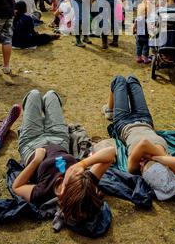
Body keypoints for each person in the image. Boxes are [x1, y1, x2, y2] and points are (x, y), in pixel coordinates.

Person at [12, 90, 116, 226]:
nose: (76, 173)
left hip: (32, 144)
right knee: (51, 95)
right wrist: (82, 164)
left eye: (73, 177)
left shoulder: (43, 192)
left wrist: (35, 161)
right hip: (59, 139)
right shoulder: (83, 184)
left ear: (65, 190)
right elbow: (110, 154)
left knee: (34, 94)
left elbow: (17, 187)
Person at [100, 76, 175, 200]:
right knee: (132, 80)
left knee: (119, 80)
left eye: (143, 170)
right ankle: (110, 109)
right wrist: (157, 158)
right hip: (145, 120)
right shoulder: (167, 163)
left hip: (123, 123)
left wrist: (154, 158)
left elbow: (144, 144)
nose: (142, 166)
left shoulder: (133, 168)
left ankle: (109, 110)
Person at [134, 0, 154, 64]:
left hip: (139, 30)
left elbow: (135, 22)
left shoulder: (139, 14)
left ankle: (138, 57)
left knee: (139, 44)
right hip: (146, 31)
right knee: (146, 44)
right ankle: (145, 58)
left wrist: (134, 29)